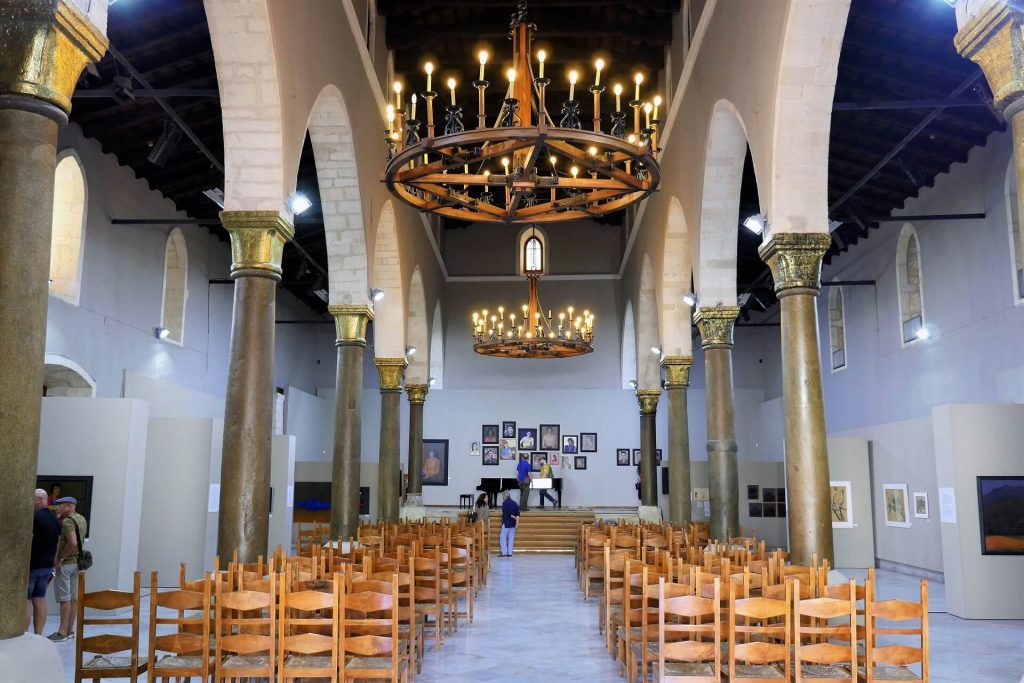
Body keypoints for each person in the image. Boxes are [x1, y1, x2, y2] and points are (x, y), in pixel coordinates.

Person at [50, 496, 87, 642]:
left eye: (60, 506)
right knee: (73, 599)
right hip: (77, 564)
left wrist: (60, 558)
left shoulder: (67, 521)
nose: (57, 508)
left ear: (69, 506)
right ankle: (70, 630)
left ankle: (61, 632)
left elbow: (72, 542)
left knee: (64, 599)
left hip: (66, 565)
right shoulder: (81, 518)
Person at [28, 488, 61, 635]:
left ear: (37, 499)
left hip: (32, 566)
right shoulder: (54, 518)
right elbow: (58, 542)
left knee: (26, 601)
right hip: (47, 566)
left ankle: (23, 635)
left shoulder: (34, 518)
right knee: (40, 599)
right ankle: (38, 635)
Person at [499, 491, 520, 557]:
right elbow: (518, 514)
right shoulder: (515, 503)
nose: (502, 498)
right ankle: (510, 553)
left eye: (503, 496)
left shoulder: (504, 503)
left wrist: (512, 516)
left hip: (506, 523)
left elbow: (506, 513)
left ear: (505, 496)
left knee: (503, 538)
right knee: (511, 538)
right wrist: (516, 522)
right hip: (513, 524)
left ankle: (504, 553)